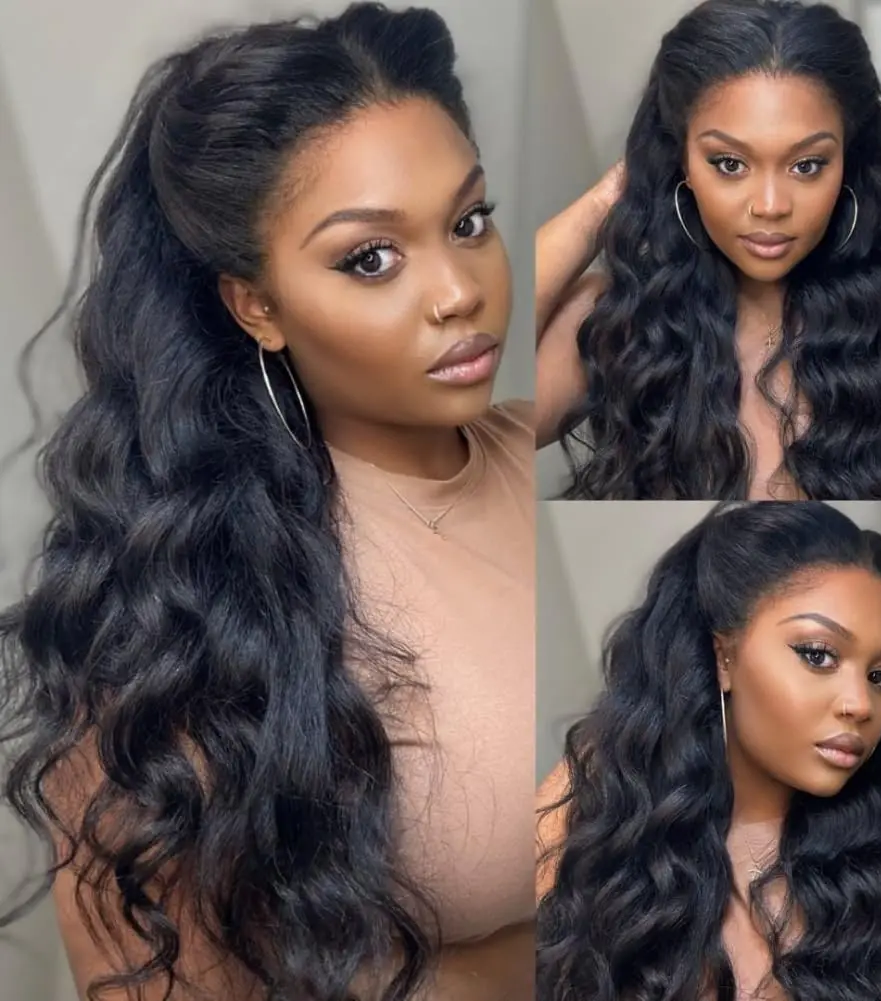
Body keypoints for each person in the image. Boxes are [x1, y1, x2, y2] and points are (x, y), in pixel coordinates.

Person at [0, 6, 534, 1000]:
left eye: (468, 222)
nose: (458, 291)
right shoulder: (189, 608)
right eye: (369, 257)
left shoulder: (542, 449)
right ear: (257, 305)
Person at [535, 0, 881, 500]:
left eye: (807, 165)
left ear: (847, 160)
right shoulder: (621, 315)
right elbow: (480, 420)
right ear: (681, 160)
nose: (771, 206)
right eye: (729, 163)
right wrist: (606, 200)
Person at [536, 502, 881, 1001]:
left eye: (879, 675)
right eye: (818, 655)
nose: (862, 704)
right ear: (723, 657)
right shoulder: (594, 834)